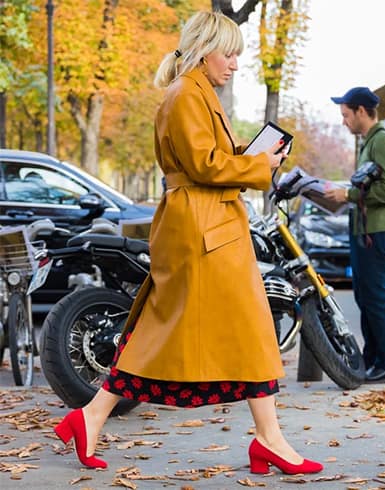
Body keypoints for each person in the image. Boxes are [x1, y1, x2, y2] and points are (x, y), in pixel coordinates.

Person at [53, 11, 323, 476]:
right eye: (231, 52)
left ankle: (92, 417)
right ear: (205, 48)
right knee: (239, 327)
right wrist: (258, 167)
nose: (236, 64)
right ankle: (268, 439)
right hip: (202, 229)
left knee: (191, 329)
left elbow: (210, 160)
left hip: (206, 227)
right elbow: (205, 167)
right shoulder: (185, 96)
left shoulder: (195, 94)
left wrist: (254, 155)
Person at [325, 86, 385, 382]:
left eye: (346, 115)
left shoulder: (383, 142)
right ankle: (374, 360)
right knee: (364, 296)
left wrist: (347, 195)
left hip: (380, 229)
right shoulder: (368, 143)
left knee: (375, 297)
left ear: (362, 111)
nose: (344, 121)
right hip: (366, 228)